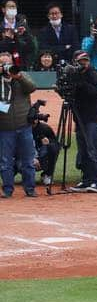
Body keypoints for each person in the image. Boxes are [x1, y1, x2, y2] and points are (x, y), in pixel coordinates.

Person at [0, 53, 38, 198]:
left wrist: (18, 77)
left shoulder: (21, 76)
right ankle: (8, 190)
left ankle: (30, 188)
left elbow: (32, 87)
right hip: (4, 127)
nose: (7, 67)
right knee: (5, 161)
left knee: (28, 160)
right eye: (3, 64)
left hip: (24, 125)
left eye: (8, 63)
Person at [68, 50, 97, 193]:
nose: (84, 63)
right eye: (81, 61)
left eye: (86, 60)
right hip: (80, 118)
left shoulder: (93, 74)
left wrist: (82, 83)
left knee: (92, 150)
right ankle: (86, 180)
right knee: (83, 151)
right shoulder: (73, 75)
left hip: (92, 119)